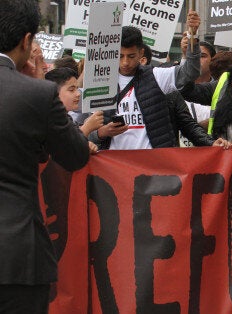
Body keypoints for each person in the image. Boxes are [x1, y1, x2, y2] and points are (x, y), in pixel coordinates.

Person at [0, 1, 90, 312]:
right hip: (16, 255)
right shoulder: (36, 94)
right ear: (26, 41)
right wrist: (35, 85)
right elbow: (76, 155)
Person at [89, 13, 217, 150]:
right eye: (120, 56)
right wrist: (101, 133)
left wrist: (192, 38)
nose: (125, 62)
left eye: (131, 56)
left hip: (153, 165)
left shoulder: (156, 75)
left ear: (141, 53)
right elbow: (85, 131)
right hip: (114, 166)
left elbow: (190, 72)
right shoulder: (100, 82)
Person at [44, 67, 103, 140]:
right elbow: (63, 146)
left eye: (77, 89)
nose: (78, 94)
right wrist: (87, 128)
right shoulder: (47, 120)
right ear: (54, 92)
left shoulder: (66, 119)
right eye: (71, 90)